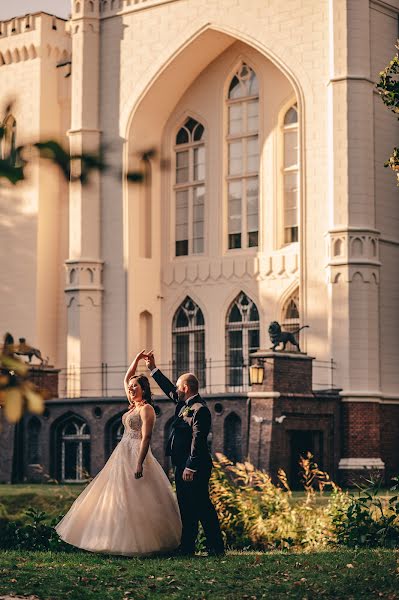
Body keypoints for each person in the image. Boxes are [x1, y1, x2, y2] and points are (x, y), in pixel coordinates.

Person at [55, 351, 182, 556]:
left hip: (136, 454)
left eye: (135, 387)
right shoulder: (132, 406)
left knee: (139, 496)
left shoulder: (146, 409)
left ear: (144, 389)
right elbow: (126, 377)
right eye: (131, 388)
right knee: (116, 495)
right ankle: (110, 540)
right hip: (121, 454)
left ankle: (144, 543)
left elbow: (146, 438)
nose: (131, 389)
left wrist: (140, 463)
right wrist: (138, 359)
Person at [145, 350, 225, 557]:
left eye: (178, 388)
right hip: (181, 466)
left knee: (202, 506)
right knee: (185, 508)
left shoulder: (200, 409)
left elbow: (199, 440)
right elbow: (168, 389)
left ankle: (215, 547)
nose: (175, 391)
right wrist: (153, 369)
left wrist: (190, 466)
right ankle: (187, 547)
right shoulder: (183, 404)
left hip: (195, 467)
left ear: (186, 388)